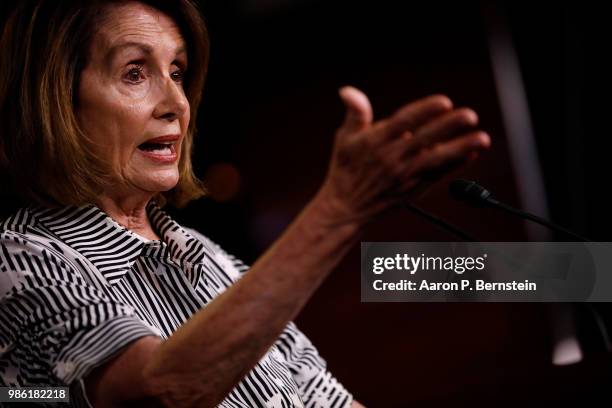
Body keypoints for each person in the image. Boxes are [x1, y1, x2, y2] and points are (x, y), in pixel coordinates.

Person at [0, 0, 490, 406]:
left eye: (177, 71)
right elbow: (160, 393)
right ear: (57, 100)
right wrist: (340, 211)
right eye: (135, 72)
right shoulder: (21, 258)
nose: (176, 102)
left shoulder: (213, 261)